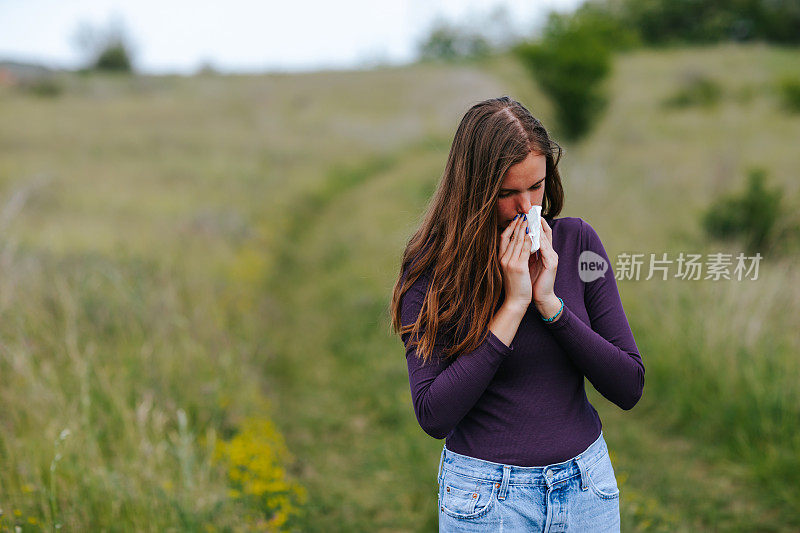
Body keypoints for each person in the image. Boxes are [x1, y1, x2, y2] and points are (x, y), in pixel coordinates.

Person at [389, 96, 645, 531]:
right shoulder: (431, 271)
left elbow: (629, 386)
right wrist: (513, 306)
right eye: (508, 193)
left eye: (537, 187)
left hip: (586, 489)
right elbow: (434, 415)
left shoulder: (578, 242)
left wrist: (551, 306)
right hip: (487, 499)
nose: (527, 207)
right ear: (472, 191)